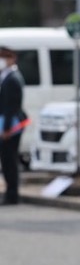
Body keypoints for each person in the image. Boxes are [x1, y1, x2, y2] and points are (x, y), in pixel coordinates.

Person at [0, 45, 26, 205]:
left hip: (11, 126)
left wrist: (7, 129)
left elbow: (11, 107)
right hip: (7, 124)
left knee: (9, 160)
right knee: (7, 160)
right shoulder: (6, 76)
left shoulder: (13, 79)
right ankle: (10, 193)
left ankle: (12, 194)